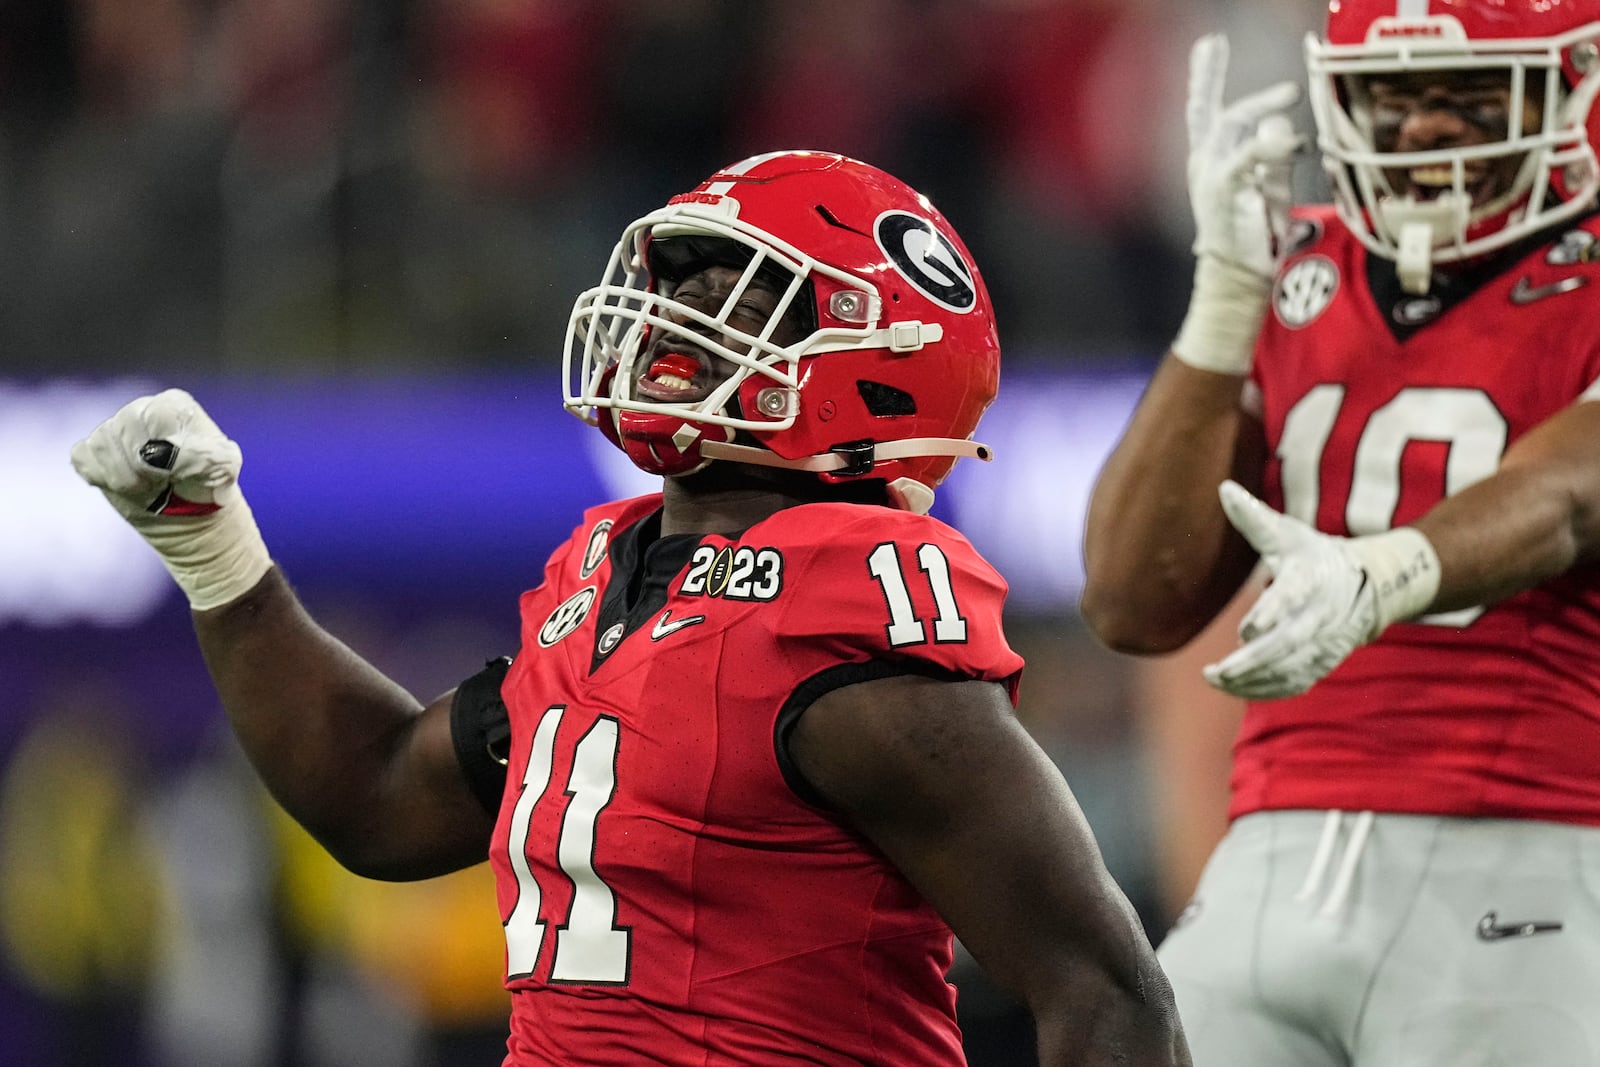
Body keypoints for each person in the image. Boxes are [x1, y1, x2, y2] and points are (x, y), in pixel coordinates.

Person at [72, 151, 1191, 1067]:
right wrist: (213, 546)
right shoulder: (612, 581)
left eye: (742, 287)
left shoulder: (846, 622)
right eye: (681, 275)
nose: (678, 306)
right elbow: (374, 793)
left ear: (884, 354)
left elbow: (1107, 994)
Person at [1081, 1, 1600, 1063]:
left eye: (1466, 96)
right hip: (1265, 863)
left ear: (1569, 94)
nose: (1421, 131)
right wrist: (1222, 302)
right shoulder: (1293, 267)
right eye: (1393, 97)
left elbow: (1570, 492)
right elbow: (1130, 598)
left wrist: (1388, 571)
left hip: (1528, 847)